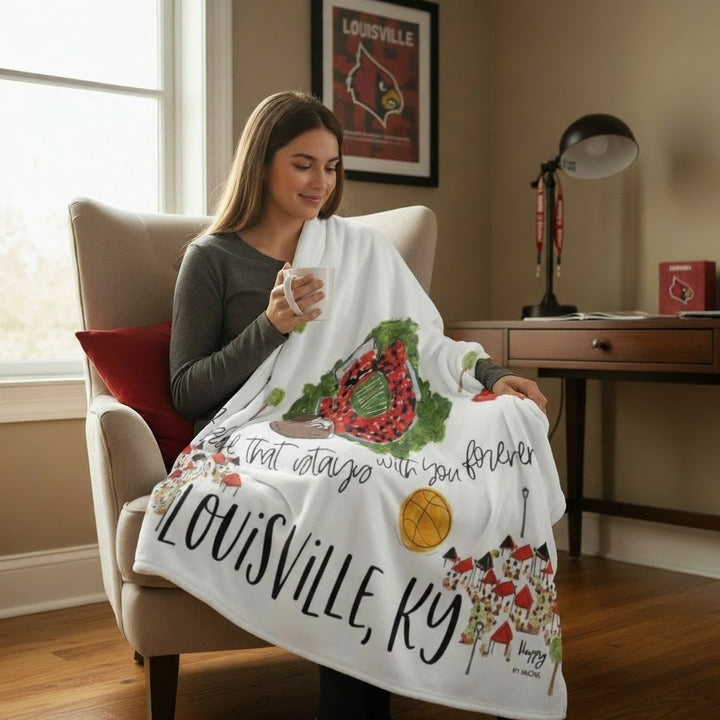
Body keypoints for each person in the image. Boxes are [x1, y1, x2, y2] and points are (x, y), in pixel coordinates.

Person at [169, 90, 547, 720]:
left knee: (494, 427)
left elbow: (418, 340)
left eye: (333, 165)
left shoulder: (357, 250)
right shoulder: (211, 259)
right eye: (303, 164)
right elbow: (187, 391)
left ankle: (457, 651)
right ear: (261, 163)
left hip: (353, 421)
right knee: (358, 484)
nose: (322, 182)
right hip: (256, 431)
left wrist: (492, 372)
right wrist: (272, 325)